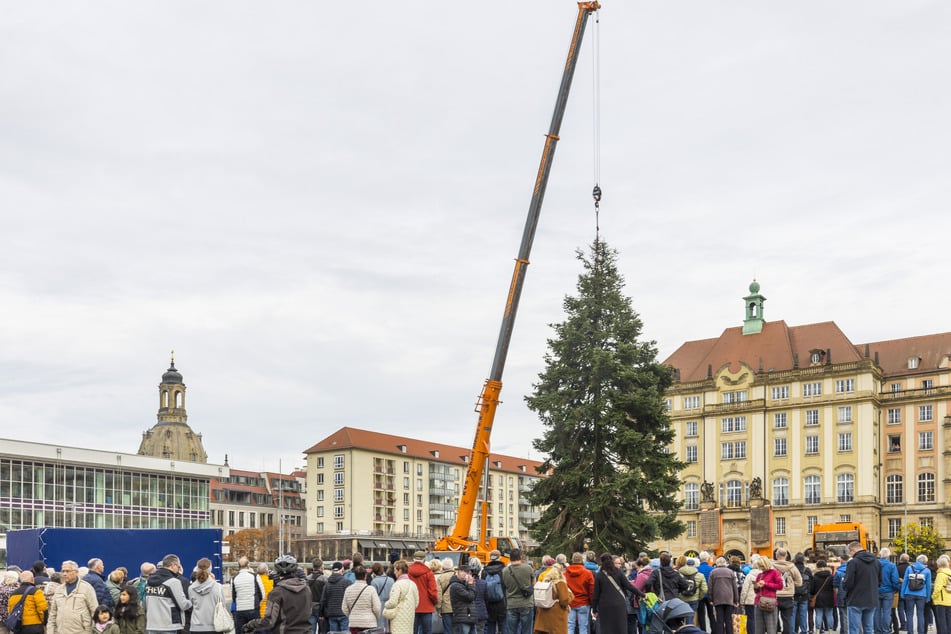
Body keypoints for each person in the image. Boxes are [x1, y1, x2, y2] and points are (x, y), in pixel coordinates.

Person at [242, 556, 311, 634]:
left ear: (277, 572)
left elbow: (269, 621)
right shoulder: (306, 589)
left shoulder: (276, 593)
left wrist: (250, 625)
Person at [145, 554, 192, 634]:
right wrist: (192, 601)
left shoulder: (149, 581)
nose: (179, 569)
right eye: (178, 566)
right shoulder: (173, 582)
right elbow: (183, 605)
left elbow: (145, 603)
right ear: (173, 565)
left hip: (152, 624)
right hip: (169, 624)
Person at [593, 552, 639, 634]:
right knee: (620, 627)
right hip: (619, 604)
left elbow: (596, 594)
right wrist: (641, 594)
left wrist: (594, 609)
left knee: (607, 628)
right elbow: (629, 586)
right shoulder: (619, 572)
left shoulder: (599, 575)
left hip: (604, 605)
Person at [48, 560, 98, 634]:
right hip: (61, 631)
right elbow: (52, 614)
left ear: (76, 572)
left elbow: (95, 611)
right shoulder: (59, 590)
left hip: (81, 631)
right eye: (63, 571)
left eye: (67, 571)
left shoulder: (87, 588)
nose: (64, 574)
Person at [844, 541, 882, 634]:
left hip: (855, 599)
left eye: (850, 552)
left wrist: (843, 584)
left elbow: (848, 583)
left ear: (852, 550)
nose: (850, 555)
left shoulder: (853, 562)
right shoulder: (876, 562)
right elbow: (880, 581)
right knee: (869, 629)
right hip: (871, 599)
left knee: (854, 629)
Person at [188, 558, 226, 634]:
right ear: (210, 569)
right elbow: (223, 606)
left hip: (196, 627)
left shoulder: (191, 588)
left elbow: (191, 606)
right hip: (215, 626)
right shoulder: (218, 587)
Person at [503, 549, 536, 634]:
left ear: (510, 558)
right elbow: (534, 583)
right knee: (527, 630)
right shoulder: (528, 568)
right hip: (526, 603)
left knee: (511, 631)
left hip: (511, 604)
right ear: (521, 557)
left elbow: (505, 586)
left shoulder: (505, 571)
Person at [534, 564, 572, 634]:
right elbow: (564, 601)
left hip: (542, 616)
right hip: (556, 617)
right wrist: (570, 596)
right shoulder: (560, 583)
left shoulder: (544, 582)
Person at [384, 561, 419, 634]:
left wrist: (386, 604)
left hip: (398, 618)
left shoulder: (397, 584)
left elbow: (392, 602)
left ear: (400, 570)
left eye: (395, 570)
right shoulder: (413, 584)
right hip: (409, 617)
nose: (394, 572)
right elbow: (416, 603)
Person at [772, 549, 802, 634]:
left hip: (775, 595)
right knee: (787, 620)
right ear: (786, 556)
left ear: (776, 556)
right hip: (788, 596)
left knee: (773, 620)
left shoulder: (771, 567)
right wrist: (791, 584)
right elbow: (799, 582)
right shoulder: (792, 567)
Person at [901, 555, 932, 634]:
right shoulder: (927, 570)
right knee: (920, 614)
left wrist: (902, 593)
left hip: (909, 593)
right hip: (922, 594)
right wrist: (928, 597)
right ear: (924, 561)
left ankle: (910, 631)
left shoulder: (909, 568)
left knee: (909, 614)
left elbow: (905, 582)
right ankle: (921, 632)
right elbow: (928, 585)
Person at [409, 551, 438, 634]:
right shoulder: (429, 573)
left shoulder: (408, 572)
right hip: (427, 606)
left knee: (412, 631)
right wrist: (435, 602)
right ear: (424, 559)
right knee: (427, 631)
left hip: (412, 606)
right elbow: (433, 591)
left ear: (413, 559)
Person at [565, 553, 595, 634]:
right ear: (582, 560)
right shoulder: (588, 573)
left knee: (570, 626)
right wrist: (592, 603)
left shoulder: (565, 573)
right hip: (584, 602)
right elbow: (591, 590)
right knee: (583, 627)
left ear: (572, 560)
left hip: (570, 603)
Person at [753, 557, 783, 634]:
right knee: (758, 630)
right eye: (760, 566)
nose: (761, 568)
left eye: (762, 566)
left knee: (771, 629)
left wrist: (766, 584)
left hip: (770, 604)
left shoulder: (775, 573)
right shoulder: (759, 575)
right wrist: (756, 586)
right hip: (758, 603)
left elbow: (780, 586)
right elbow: (756, 591)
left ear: (766, 564)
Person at [321, 562, 353, 633]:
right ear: (342, 570)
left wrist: (322, 613)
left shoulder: (327, 584)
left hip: (331, 614)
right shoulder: (347, 582)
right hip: (344, 614)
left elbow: (323, 600)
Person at [709, 558, 738, 634]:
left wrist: (711, 599)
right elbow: (735, 587)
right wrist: (736, 600)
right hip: (729, 599)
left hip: (718, 599)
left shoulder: (713, 572)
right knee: (728, 620)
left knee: (719, 620)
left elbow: (710, 587)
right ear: (725, 563)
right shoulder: (730, 572)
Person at [448, 564, 477, 634]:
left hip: (470, 617)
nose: (468, 575)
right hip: (462, 618)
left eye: (470, 573)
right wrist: (470, 584)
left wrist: (470, 584)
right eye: (466, 572)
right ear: (459, 572)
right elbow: (470, 597)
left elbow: (474, 596)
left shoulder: (465, 584)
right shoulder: (455, 586)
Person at [483, 551, 507, 634]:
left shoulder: (485, 571)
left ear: (490, 557)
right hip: (502, 602)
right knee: (503, 625)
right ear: (499, 557)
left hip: (489, 603)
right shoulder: (504, 569)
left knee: (490, 625)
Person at [233, 558, 260, 634]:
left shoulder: (234, 578)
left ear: (238, 566)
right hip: (253, 608)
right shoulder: (255, 576)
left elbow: (233, 596)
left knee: (241, 631)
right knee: (256, 630)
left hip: (240, 609)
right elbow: (262, 593)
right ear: (248, 565)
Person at [877, 549, 901, 634]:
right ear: (888, 556)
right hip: (888, 591)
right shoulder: (891, 566)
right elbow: (895, 580)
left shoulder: (875, 564)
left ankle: (877, 630)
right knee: (887, 612)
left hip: (876, 591)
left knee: (877, 612)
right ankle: (885, 630)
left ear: (880, 555)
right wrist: (896, 589)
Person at [679, 558, 707, 624]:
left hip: (682, 599)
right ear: (694, 565)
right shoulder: (700, 575)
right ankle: (689, 629)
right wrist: (699, 597)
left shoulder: (679, 574)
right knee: (690, 617)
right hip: (694, 599)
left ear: (686, 565)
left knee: (681, 617)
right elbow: (704, 589)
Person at [810, 560, 835, 634]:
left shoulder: (815, 576)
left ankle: (817, 630)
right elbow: (833, 587)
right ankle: (830, 631)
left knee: (818, 614)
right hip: (829, 597)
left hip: (818, 598)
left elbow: (812, 589)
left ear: (817, 567)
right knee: (829, 614)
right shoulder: (830, 576)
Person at [740, 558, 762, 634]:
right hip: (760, 601)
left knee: (750, 619)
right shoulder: (763, 576)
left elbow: (744, 589)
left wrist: (742, 601)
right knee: (759, 619)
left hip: (750, 601)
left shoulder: (749, 576)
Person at [370, 562, 394, 632]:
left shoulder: (374, 582)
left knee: (379, 627)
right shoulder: (391, 580)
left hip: (379, 605)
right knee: (389, 626)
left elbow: (373, 597)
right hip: (390, 605)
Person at [792, 554, 812, 634]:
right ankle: (803, 631)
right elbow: (811, 583)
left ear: (795, 560)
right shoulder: (807, 570)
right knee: (803, 615)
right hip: (804, 595)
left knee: (792, 615)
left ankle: (792, 631)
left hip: (794, 595)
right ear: (803, 560)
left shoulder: (792, 569)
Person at [931, 556, 951, 634]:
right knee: (949, 621)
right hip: (949, 601)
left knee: (942, 622)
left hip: (941, 601)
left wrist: (933, 597)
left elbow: (937, 589)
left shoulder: (940, 574)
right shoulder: (949, 573)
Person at [436, 559, 456, 634]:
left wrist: (439, 609)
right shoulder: (457, 576)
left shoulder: (441, 578)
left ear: (443, 567)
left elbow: (439, 595)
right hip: (457, 607)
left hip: (445, 608)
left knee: (447, 630)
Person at [307, 560, 326, 634]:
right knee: (323, 631)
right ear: (321, 567)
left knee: (311, 630)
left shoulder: (307, 578)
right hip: (321, 609)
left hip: (310, 608)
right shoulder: (324, 579)